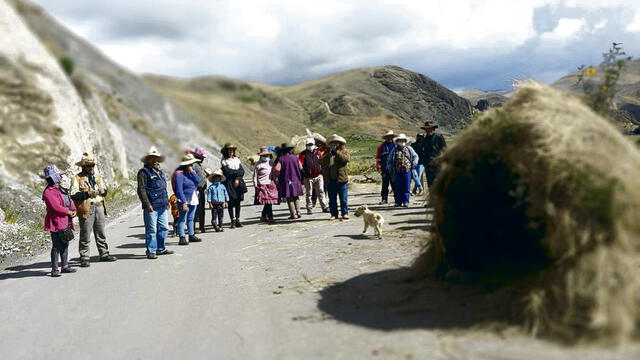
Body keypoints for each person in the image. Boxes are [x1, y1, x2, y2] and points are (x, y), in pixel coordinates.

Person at [70, 152, 116, 267]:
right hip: (86, 208)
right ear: (83, 166)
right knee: (85, 233)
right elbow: (73, 195)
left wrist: (102, 191)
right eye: (89, 165)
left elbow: (105, 191)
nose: (91, 168)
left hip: (99, 206)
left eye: (92, 165)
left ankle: (104, 254)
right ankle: (84, 257)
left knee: (101, 232)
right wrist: (88, 194)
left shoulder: (98, 177)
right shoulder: (77, 178)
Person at [137, 147, 174, 259]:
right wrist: (147, 204)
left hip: (162, 204)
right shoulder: (143, 172)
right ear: (147, 160)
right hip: (151, 206)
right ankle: (151, 250)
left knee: (164, 228)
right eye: (152, 158)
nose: (154, 160)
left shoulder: (160, 172)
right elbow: (141, 190)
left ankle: (161, 248)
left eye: (156, 158)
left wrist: (167, 200)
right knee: (151, 229)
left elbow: (163, 188)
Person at [42, 165, 77, 277]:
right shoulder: (48, 192)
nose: (60, 178)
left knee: (65, 242)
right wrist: (68, 212)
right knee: (57, 245)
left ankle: (65, 266)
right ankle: (54, 269)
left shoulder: (60, 188)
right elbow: (56, 207)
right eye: (58, 176)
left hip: (66, 220)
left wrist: (73, 210)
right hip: (56, 222)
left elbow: (69, 200)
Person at [173, 153, 203, 245]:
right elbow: (179, 190)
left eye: (192, 164)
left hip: (193, 197)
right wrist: (183, 202)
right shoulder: (179, 175)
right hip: (184, 199)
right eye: (190, 164)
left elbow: (199, 182)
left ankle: (191, 235)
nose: (192, 166)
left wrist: (192, 172)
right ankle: (182, 237)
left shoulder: (191, 173)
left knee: (191, 218)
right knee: (182, 219)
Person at [320, 134, 350, 220]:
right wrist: (329, 154)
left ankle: (344, 213)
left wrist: (336, 153)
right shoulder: (327, 152)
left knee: (343, 199)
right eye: (332, 143)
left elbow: (346, 159)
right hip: (330, 179)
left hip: (341, 179)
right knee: (332, 200)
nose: (333, 145)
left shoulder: (344, 151)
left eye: (335, 143)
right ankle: (333, 214)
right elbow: (321, 161)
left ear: (339, 143)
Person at [387, 134, 419, 207]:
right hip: (397, 172)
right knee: (397, 187)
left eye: (403, 140)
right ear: (397, 141)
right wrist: (390, 169)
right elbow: (389, 160)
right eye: (400, 140)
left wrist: (414, 164)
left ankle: (405, 202)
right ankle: (398, 202)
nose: (402, 142)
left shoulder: (409, 148)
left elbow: (415, 156)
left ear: (405, 141)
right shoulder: (394, 150)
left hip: (407, 171)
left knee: (406, 187)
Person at [298, 137, 328, 214]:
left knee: (321, 191)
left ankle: (324, 207)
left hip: (318, 175)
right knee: (309, 193)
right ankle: (309, 208)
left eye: (311, 144)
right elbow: (300, 165)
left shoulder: (318, 153)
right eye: (308, 144)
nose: (310, 146)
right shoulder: (302, 154)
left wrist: (322, 171)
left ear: (314, 145)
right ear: (306, 145)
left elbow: (322, 161)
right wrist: (303, 172)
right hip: (308, 177)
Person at [274, 142, 304, 219]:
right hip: (296, 179)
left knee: (289, 198)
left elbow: (277, 169)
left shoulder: (281, 159)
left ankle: (293, 214)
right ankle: (298, 212)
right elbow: (301, 167)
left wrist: (277, 176)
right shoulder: (295, 157)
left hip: (286, 181)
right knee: (296, 196)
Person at [221, 143, 247, 228]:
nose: (231, 151)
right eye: (229, 150)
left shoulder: (236, 159)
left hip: (238, 181)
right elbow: (227, 172)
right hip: (229, 182)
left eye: (232, 150)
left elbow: (242, 171)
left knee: (238, 201)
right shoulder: (224, 160)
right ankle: (232, 220)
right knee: (231, 202)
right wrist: (237, 174)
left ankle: (237, 219)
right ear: (226, 151)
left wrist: (237, 178)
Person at [253, 148, 279, 223]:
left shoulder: (271, 163)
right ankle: (270, 217)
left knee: (269, 201)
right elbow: (255, 176)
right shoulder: (258, 164)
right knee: (268, 202)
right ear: (261, 156)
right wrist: (255, 185)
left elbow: (273, 173)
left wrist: (276, 181)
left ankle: (263, 216)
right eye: (263, 155)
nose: (265, 156)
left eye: (266, 155)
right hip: (262, 184)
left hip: (270, 183)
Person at [419, 121, 447, 188]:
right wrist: (424, 163)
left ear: (433, 129)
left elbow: (444, 150)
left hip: (438, 165)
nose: (428, 130)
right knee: (430, 184)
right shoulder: (424, 140)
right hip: (428, 166)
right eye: (426, 129)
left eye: (429, 128)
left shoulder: (439, 137)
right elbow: (423, 152)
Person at [189, 148, 208, 233]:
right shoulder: (194, 166)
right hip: (197, 190)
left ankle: (201, 226)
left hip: (201, 190)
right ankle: (193, 228)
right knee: (196, 209)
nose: (203, 159)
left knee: (201, 209)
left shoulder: (199, 165)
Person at [375, 130, 396, 205]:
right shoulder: (381, 146)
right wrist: (378, 166)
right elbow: (378, 157)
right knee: (385, 184)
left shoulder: (395, 145)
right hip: (384, 168)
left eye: (390, 136)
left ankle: (397, 199)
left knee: (395, 184)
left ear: (392, 137)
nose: (389, 138)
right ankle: (384, 198)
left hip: (394, 169)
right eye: (387, 136)